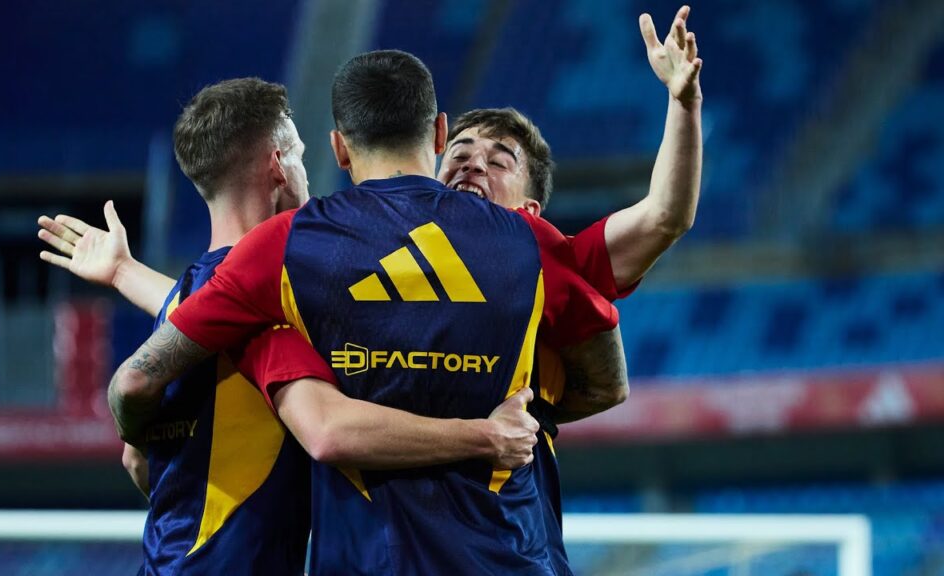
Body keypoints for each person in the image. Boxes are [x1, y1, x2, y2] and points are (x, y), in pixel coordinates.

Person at [107, 49, 624, 575]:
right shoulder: (527, 242)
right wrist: (509, 421)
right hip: (511, 557)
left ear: (340, 148)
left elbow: (138, 379)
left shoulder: (285, 252)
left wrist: (140, 430)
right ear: (441, 133)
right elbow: (609, 384)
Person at [436, 7, 703, 573]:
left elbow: (664, 217)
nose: (471, 164)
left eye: (498, 161)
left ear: (530, 210)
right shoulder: (371, 256)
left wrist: (682, 106)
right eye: (458, 153)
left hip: (510, 542)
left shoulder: (548, 257)